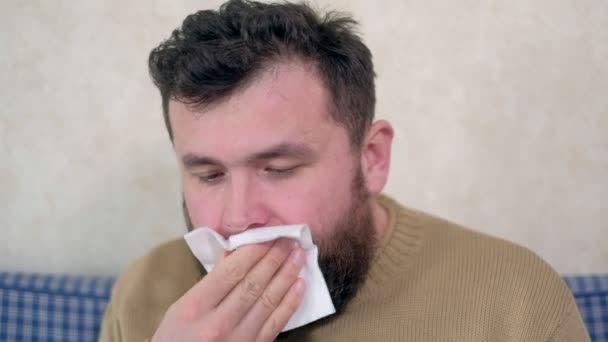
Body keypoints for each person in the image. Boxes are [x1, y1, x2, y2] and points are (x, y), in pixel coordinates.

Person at [98, 0, 590, 341]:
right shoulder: (143, 293)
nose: (237, 218)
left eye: (279, 168)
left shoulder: (517, 301)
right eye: (209, 175)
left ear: (371, 158)